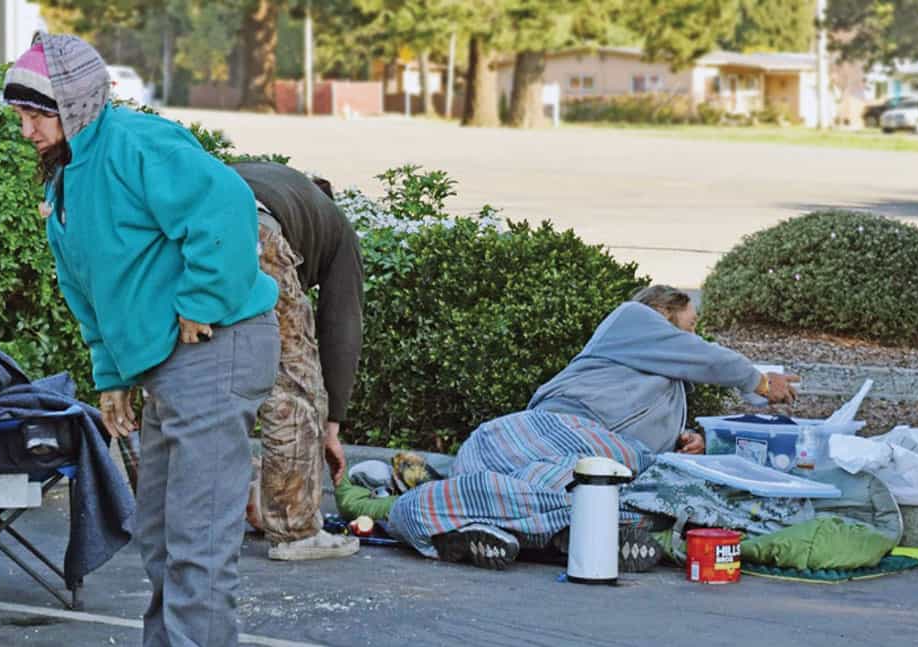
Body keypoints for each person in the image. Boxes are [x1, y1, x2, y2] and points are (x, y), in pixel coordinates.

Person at [3, 33, 280, 646]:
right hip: (166, 363)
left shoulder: (135, 143)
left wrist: (202, 300)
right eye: (20, 116)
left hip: (218, 345)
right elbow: (91, 292)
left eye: (35, 115)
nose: (26, 130)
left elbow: (228, 204)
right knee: (157, 532)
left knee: (196, 543)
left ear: (75, 104)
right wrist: (112, 379)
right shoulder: (67, 181)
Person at [386, 285, 798, 571]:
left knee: (567, 485)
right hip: (554, 427)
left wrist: (685, 438)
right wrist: (759, 381)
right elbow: (705, 357)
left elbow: (649, 429)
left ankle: (482, 528)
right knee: (498, 457)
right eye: (689, 325)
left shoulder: (670, 387)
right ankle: (560, 529)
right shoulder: (631, 319)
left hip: (597, 456)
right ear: (660, 314)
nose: (694, 336)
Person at [231, 161, 364, 561]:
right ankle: (295, 530)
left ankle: (174, 515)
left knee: (189, 373)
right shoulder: (336, 226)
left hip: (181, 231)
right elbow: (340, 324)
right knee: (292, 386)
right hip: (254, 231)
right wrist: (331, 426)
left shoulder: (271, 179)